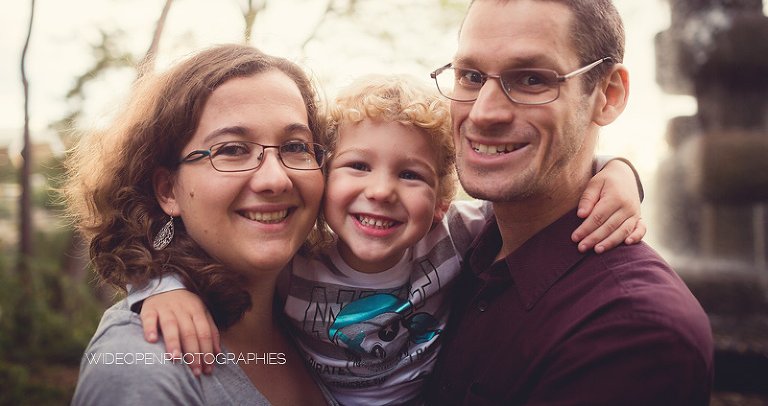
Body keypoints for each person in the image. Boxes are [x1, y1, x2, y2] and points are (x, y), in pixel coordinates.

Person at [130, 74, 645, 405]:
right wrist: (163, 288)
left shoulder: (453, 236)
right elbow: (182, 245)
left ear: (441, 200)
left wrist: (617, 171)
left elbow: (543, 191)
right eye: (357, 166)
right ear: (323, 181)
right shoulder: (296, 253)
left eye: (411, 175)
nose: (380, 191)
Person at [423, 0, 714, 405]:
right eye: (471, 76)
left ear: (609, 95)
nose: (483, 112)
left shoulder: (634, 332)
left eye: (532, 79)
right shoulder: (453, 244)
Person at [67, 44, 335, 405]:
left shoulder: (322, 324)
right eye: (232, 149)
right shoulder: (142, 362)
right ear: (168, 190)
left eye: (296, 147)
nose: (275, 179)